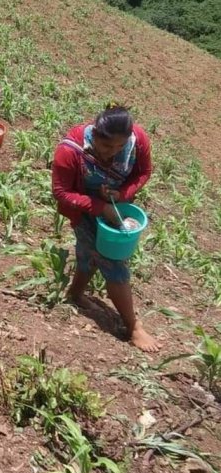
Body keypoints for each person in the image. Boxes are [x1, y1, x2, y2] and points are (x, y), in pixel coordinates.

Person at [51, 105, 160, 353]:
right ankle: (133, 326)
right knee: (114, 261)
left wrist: (122, 194)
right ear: (95, 134)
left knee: (89, 253)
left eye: (120, 147)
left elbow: (144, 172)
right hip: (86, 208)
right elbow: (61, 192)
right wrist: (100, 207)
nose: (114, 153)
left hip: (116, 205)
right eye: (107, 146)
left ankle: (76, 294)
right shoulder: (70, 151)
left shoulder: (138, 140)